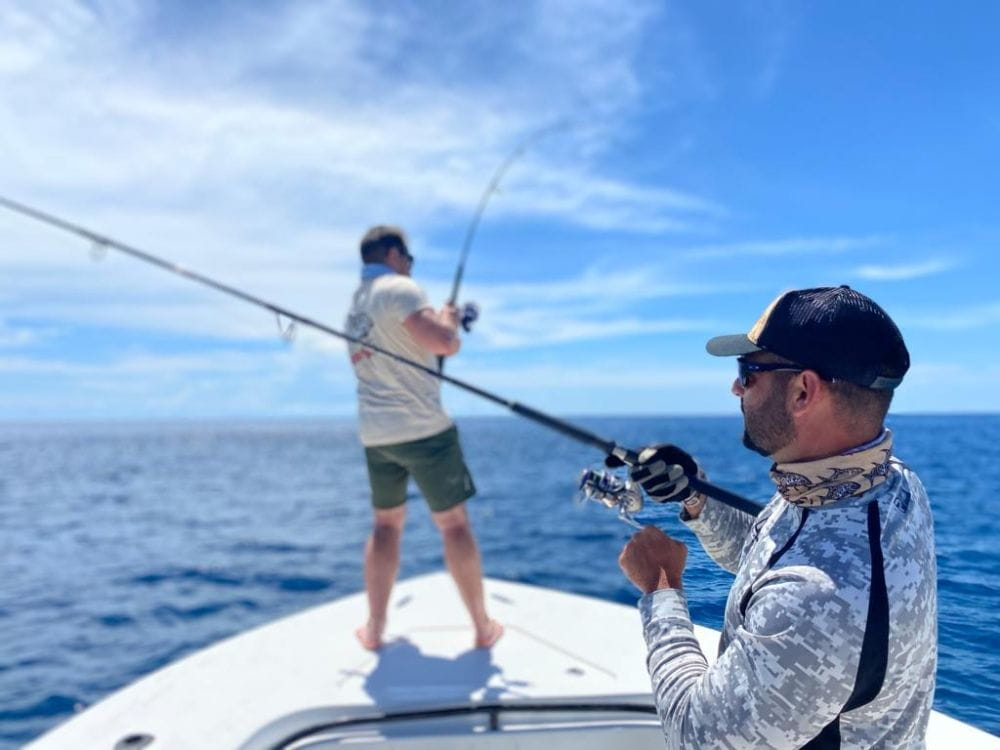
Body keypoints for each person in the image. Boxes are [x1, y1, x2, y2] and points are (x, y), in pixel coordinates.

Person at [618, 286, 936, 748]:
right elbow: (782, 557)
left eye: (748, 373)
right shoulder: (891, 486)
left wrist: (660, 587)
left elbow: (696, 736)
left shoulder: (816, 603)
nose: (736, 388)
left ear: (803, 391)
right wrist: (696, 498)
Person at [345, 225, 502, 651]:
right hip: (424, 430)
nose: (410, 267)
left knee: (385, 526)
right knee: (453, 525)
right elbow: (443, 343)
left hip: (376, 436)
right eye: (408, 259)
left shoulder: (357, 306)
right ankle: (482, 626)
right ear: (393, 254)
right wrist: (448, 321)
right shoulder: (400, 289)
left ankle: (374, 629)